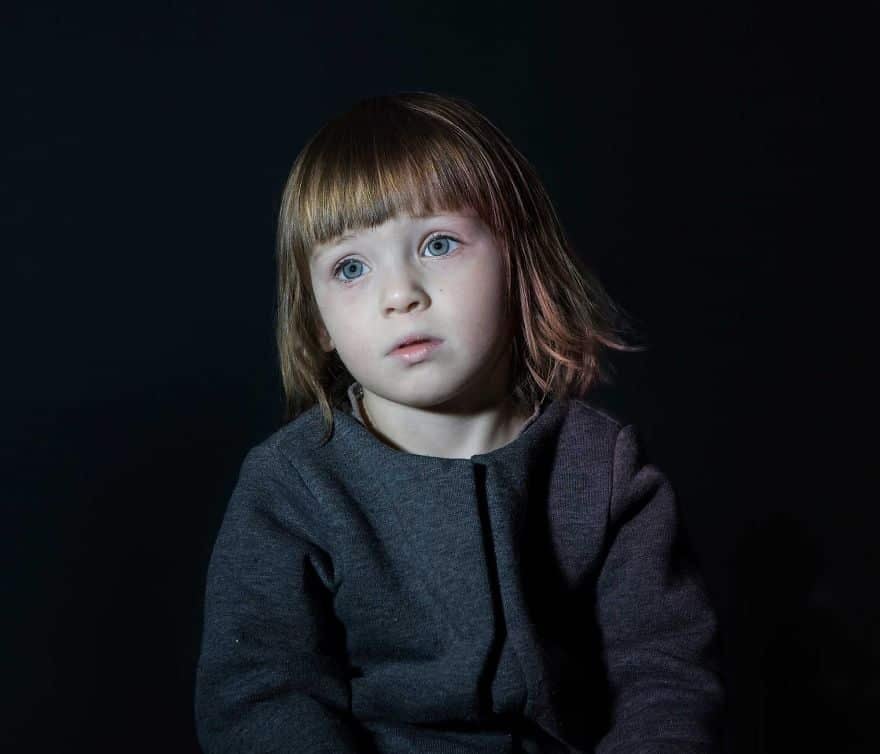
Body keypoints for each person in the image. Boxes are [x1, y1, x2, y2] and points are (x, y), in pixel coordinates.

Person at [194, 91, 726, 753]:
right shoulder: (292, 484)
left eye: (440, 243)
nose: (400, 294)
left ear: (517, 261)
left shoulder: (604, 469)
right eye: (351, 267)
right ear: (316, 322)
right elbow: (262, 695)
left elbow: (665, 676)